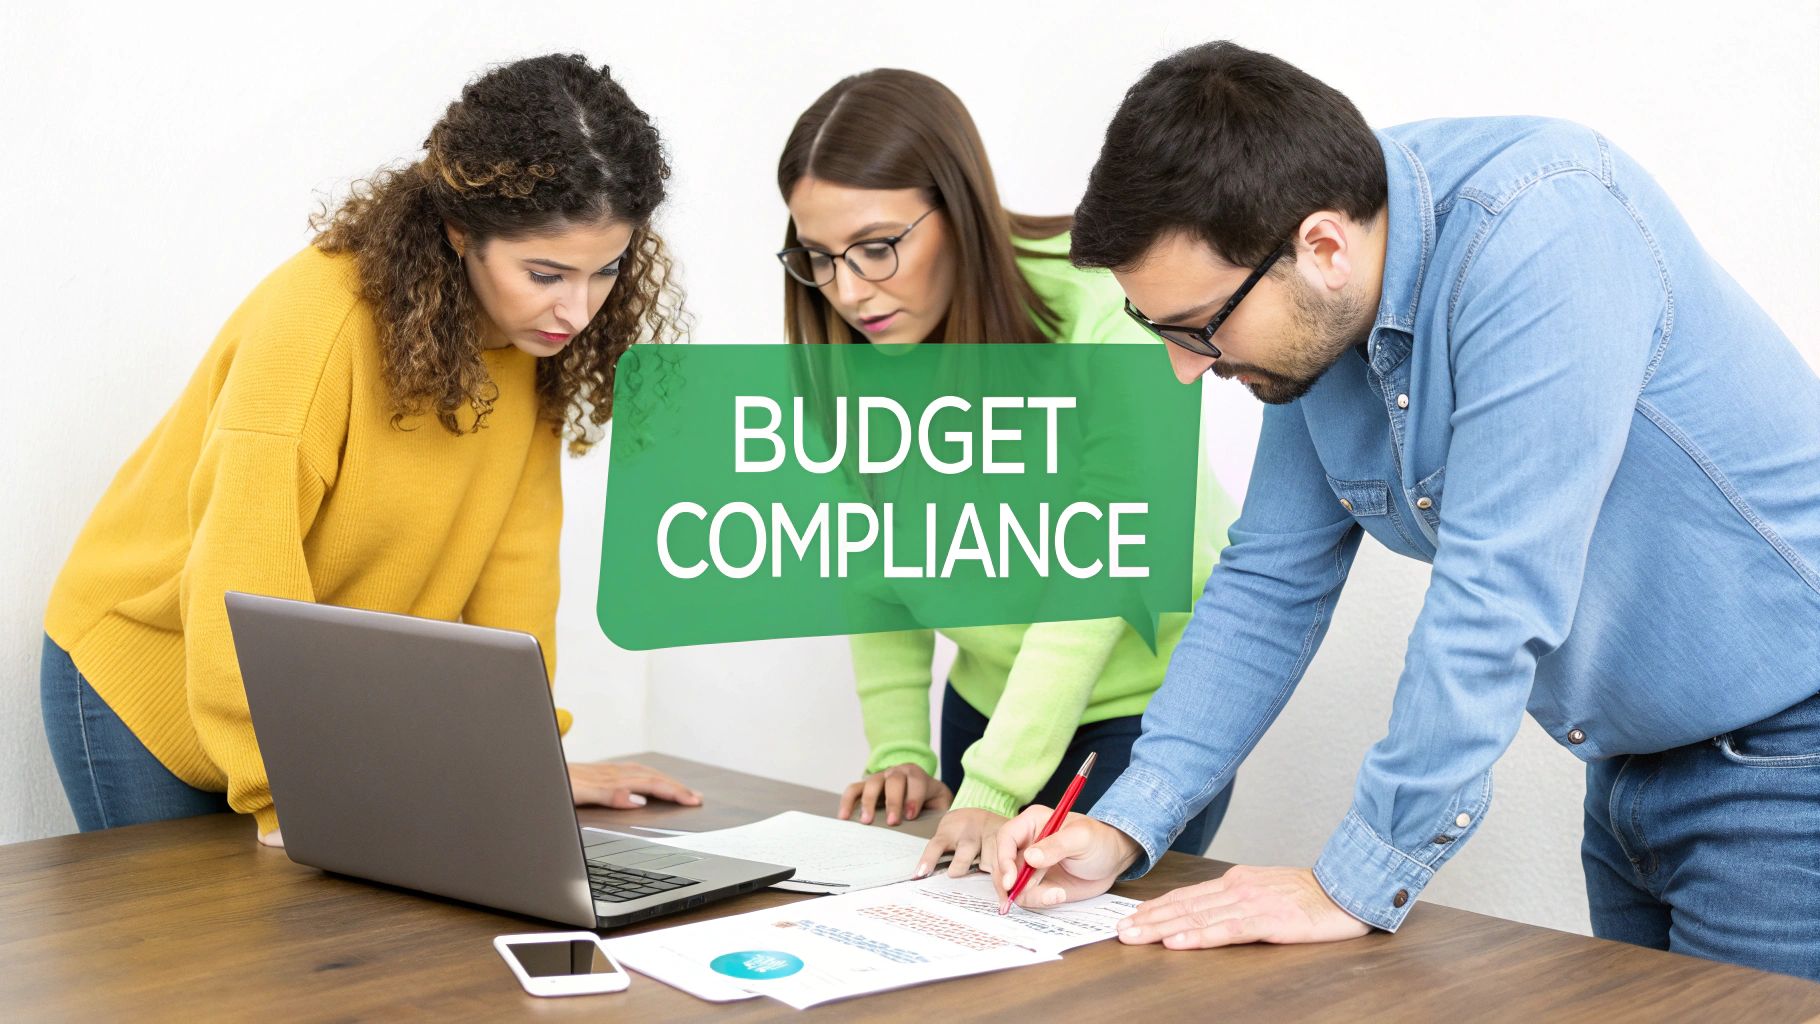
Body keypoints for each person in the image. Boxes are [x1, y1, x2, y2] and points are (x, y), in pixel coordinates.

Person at [989, 40, 1820, 982]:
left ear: (1324, 246)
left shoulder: (1547, 232)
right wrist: (1125, 822)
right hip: (1631, 771)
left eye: (1199, 328)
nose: (1189, 367)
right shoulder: (1311, 310)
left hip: (1791, 759)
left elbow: (1495, 593)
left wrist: (1353, 879)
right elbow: (1269, 578)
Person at [41, 54, 702, 846]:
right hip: (151, 685)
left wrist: (525, 762)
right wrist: (286, 799)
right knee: (212, 962)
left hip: (313, 717)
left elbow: (515, 572)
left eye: (607, 271)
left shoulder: (533, 347)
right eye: (546, 272)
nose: (577, 309)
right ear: (461, 229)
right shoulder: (317, 326)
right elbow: (241, 577)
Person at [775, 68, 1240, 878]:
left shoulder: (1109, 311)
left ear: (958, 211)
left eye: (879, 247)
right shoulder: (854, 348)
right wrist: (899, 748)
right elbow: (871, 558)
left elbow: (1097, 580)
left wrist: (991, 786)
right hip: (989, 707)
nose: (848, 290)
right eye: (819, 256)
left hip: (1143, 713)